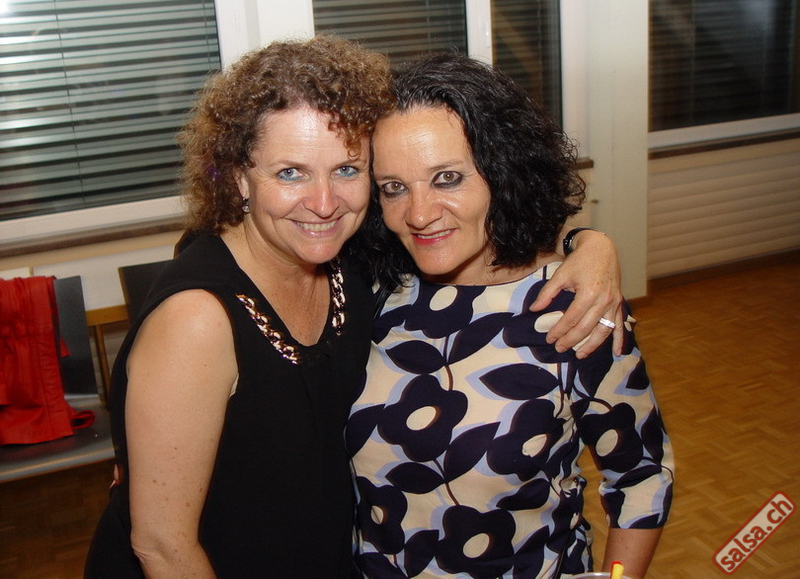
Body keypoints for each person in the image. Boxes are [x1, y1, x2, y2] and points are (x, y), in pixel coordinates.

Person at [84, 35, 624, 578]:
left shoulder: (354, 261)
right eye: (290, 172)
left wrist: (589, 244)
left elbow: (485, 227)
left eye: (346, 169)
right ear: (240, 177)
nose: (324, 203)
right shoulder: (198, 318)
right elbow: (161, 545)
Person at [347, 52, 674, 579]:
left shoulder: (572, 304)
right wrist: (589, 239)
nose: (419, 214)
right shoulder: (376, 293)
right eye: (394, 187)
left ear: (502, 173)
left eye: (447, 178)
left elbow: (640, 478)